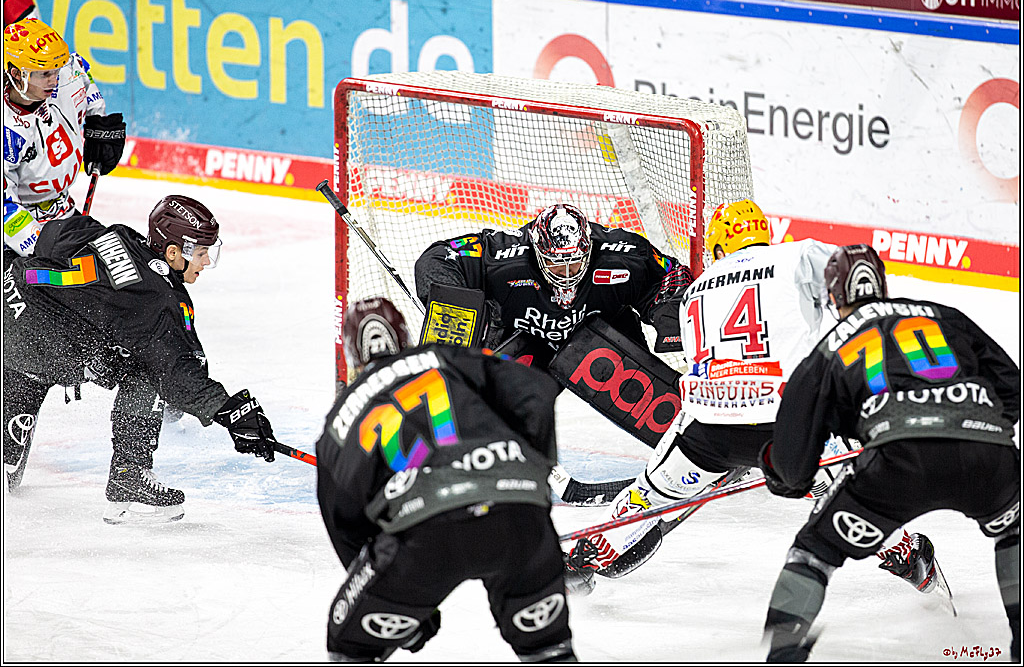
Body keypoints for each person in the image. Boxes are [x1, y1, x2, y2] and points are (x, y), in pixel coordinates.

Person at [562, 199, 849, 592]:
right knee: (854, 505)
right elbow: (854, 274)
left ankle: (583, 564)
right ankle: (907, 554)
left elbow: (695, 362)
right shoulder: (797, 255)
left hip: (713, 433)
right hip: (792, 428)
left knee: (647, 496)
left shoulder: (696, 290)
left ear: (717, 248)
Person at [758, 244, 1020, 662]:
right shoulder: (943, 314)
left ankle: (783, 654)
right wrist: (977, 428)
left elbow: (793, 463)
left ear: (833, 296)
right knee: (1015, 531)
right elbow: (1011, 386)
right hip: (987, 455)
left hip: (897, 463)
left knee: (814, 551)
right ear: (882, 285)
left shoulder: (830, 345)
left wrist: (781, 471)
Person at [315, 297, 576, 662]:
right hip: (518, 517)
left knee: (350, 645)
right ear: (405, 336)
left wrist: (397, 602)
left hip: (424, 536)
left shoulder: (340, 417)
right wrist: (533, 479)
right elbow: (536, 390)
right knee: (548, 649)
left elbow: (345, 524)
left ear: (352, 356)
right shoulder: (450, 356)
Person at [2, 194, 280, 523]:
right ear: (174, 252)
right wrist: (231, 411)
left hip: (9, 298)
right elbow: (177, 374)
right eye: (202, 253)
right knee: (147, 368)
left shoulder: (119, 235)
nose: (206, 262)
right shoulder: (159, 298)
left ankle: (10, 446)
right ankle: (128, 476)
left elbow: (50, 238)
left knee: (8, 473)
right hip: (40, 347)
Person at [414, 202, 690, 369]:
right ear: (537, 251)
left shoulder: (623, 253)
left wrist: (669, 316)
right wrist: (455, 312)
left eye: (575, 263)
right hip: (524, 340)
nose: (567, 273)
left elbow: (671, 274)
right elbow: (437, 257)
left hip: (603, 341)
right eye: (557, 264)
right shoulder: (504, 253)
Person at [4, 17, 126, 257]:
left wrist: (97, 123)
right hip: (16, 232)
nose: (54, 79)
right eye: (45, 74)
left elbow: (81, 76)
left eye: (56, 70)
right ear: (16, 74)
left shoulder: (66, 75)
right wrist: (41, 250)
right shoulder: (7, 132)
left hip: (64, 212)